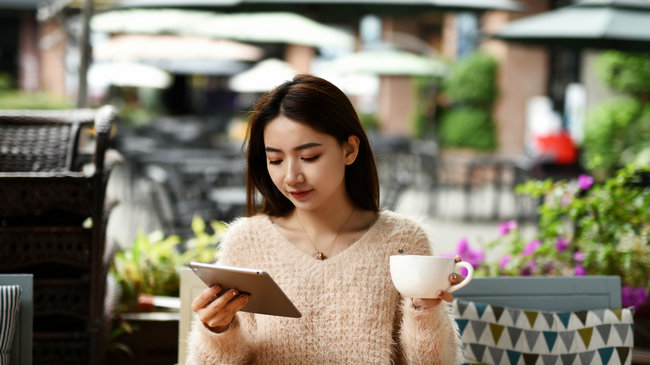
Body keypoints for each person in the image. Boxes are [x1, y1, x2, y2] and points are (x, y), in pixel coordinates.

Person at [187, 74, 464, 364]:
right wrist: (217, 329)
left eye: (309, 156)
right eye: (276, 160)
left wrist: (424, 309)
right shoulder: (247, 242)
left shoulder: (403, 240)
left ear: (349, 149)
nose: (292, 176)